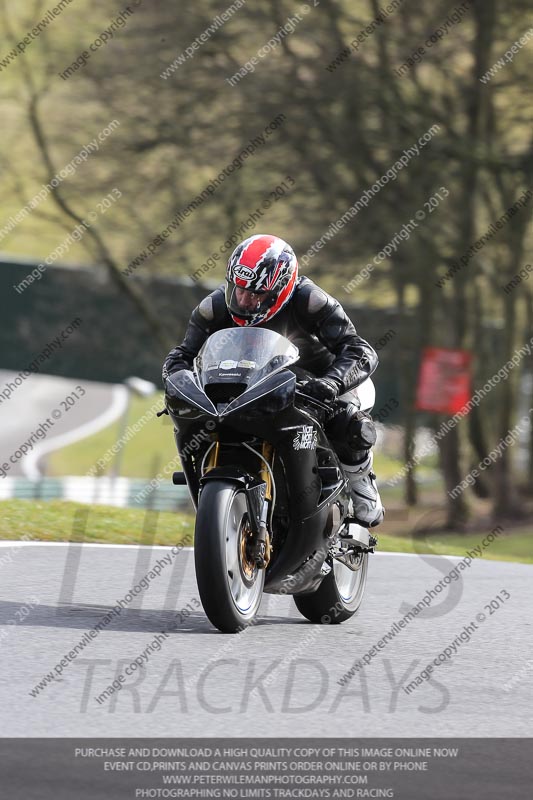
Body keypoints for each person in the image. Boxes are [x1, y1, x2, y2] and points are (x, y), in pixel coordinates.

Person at [162, 234, 384, 528]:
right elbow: (183, 354)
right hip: (250, 380)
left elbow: (359, 350)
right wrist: (177, 378)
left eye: (256, 294)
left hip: (316, 382)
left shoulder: (311, 302)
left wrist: (331, 383)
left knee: (348, 420)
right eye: (239, 290)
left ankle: (360, 481)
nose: (244, 300)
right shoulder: (214, 308)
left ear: (281, 288)